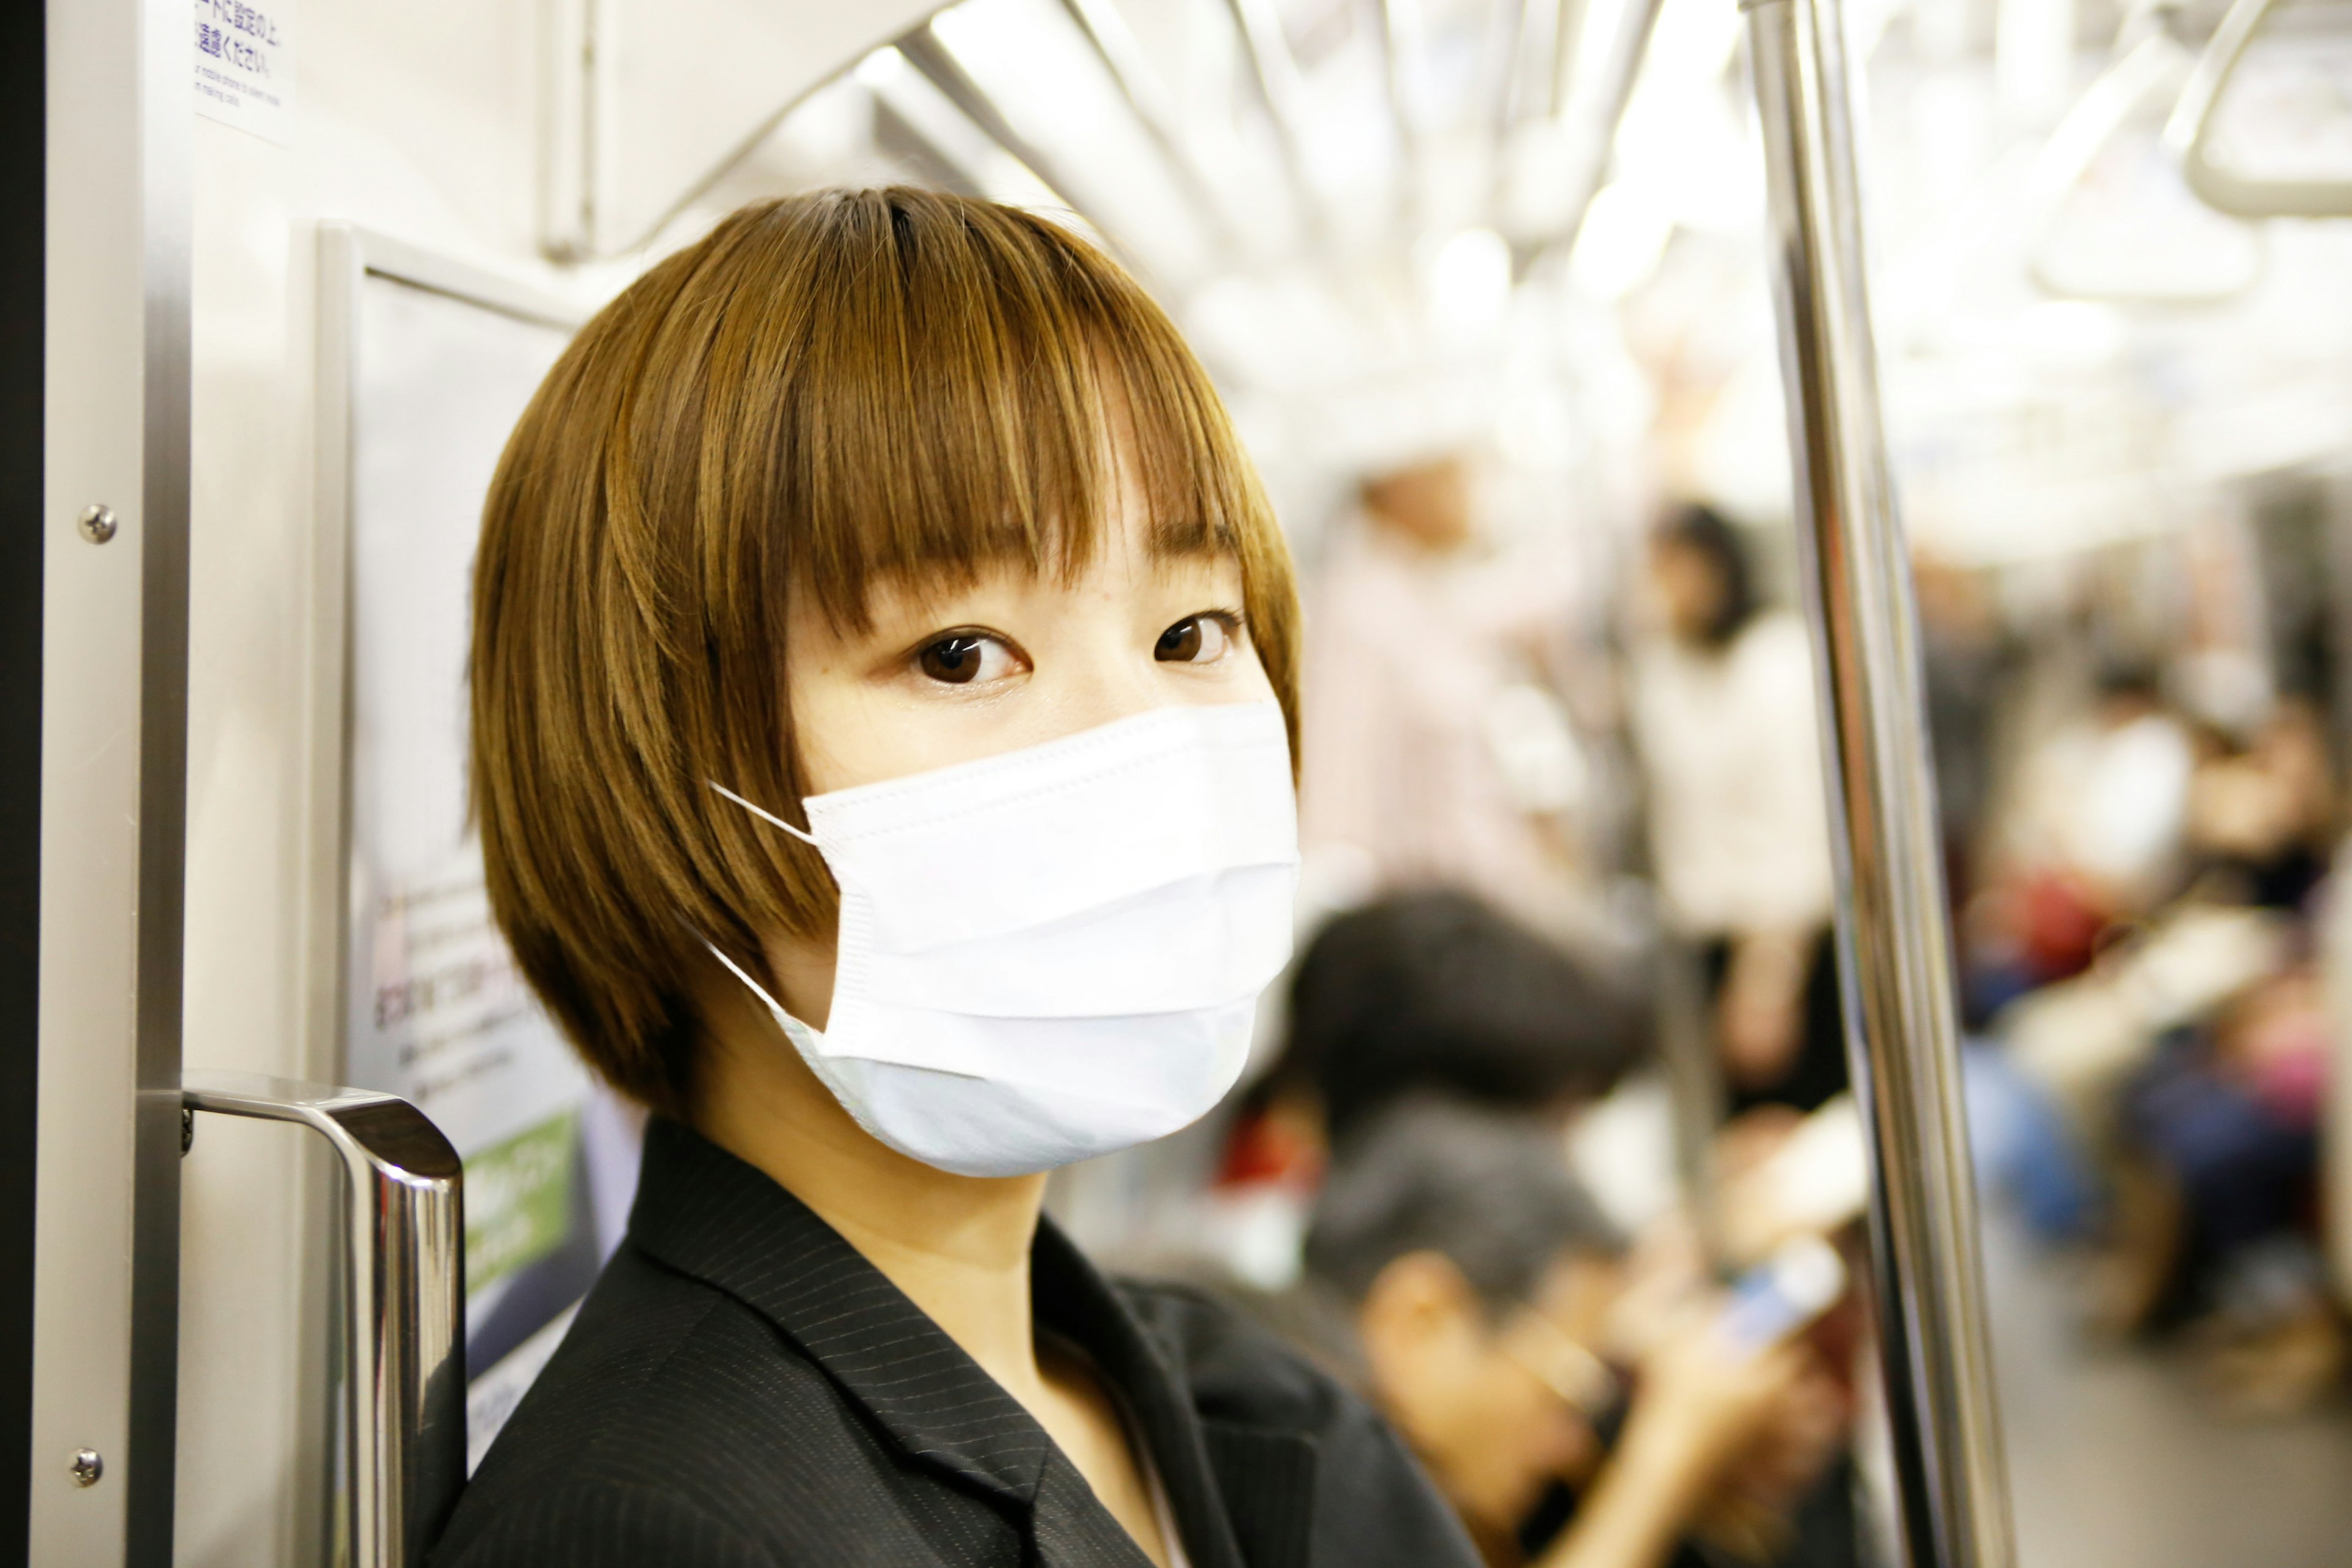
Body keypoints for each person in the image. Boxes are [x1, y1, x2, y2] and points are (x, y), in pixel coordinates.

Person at [431, 190, 1480, 1568]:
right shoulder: (651, 1527)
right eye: (960, 653)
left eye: (1192, 630)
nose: (1145, 742)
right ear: (651, 765)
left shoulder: (1255, 1409)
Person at [1300, 1098, 1841, 1568]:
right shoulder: (1298, 1494)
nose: (1566, 1448)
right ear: (1419, 1323)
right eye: (1565, 1386)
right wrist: (1667, 1459)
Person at [1297, 451, 1591, 932]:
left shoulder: (1420, 597)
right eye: (1454, 471)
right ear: (1398, 481)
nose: (1474, 489)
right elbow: (1335, 819)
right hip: (1434, 951)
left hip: (1484, 930)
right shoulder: (1358, 615)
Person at [1628, 504, 1845, 1114]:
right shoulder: (1664, 668)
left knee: (1795, 1130)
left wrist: (1768, 978)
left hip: (1781, 943)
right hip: (1704, 938)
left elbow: (1795, 823)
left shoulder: (1774, 661)